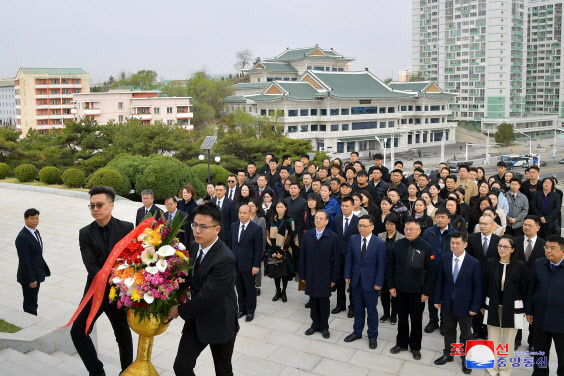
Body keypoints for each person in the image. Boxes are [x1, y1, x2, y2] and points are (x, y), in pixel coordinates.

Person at [168, 202, 238, 376]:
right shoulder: (194, 245)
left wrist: (178, 310)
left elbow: (208, 297)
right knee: (182, 367)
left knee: (223, 370)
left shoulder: (225, 258)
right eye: (195, 225)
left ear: (217, 229)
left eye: (203, 226)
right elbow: (191, 279)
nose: (197, 230)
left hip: (220, 320)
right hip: (197, 318)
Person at [71, 186, 134, 375]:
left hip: (118, 292)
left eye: (99, 205)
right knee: (78, 331)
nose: (95, 209)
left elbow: (132, 259)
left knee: (123, 334)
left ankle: (126, 371)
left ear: (112, 205)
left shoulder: (126, 228)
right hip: (95, 290)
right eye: (91, 206)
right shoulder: (85, 233)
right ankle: (97, 371)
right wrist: (110, 277)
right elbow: (90, 265)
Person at [388, 219, 436, 360]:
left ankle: (415, 347)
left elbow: (432, 272)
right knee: (402, 319)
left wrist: (426, 291)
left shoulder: (426, 247)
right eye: (406, 229)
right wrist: (391, 286)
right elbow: (390, 267)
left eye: (412, 229)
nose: (408, 231)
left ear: (419, 231)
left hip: (417, 293)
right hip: (399, 291)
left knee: (416, 321)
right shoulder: (397, 245)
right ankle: (401, 344)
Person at [433, 231, 481, 375]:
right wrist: (437, 299)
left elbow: (478, 287)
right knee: (448, 330)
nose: (454, 246)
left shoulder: (474, 263)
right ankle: (449, 353)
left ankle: (466, 358)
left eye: (457, 243)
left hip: (466, 306)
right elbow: (439, 281)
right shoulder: (445, 258)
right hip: (447, 302)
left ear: (465, 244)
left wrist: (475, 306)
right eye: (452, 243)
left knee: (466, 333)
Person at [482, 235, 528, 376]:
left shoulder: (519, 265)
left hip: (513, 307)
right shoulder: (491, 262)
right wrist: (482, 304)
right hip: (493, 305)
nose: (502, 249)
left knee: (508, 341)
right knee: (492, 339)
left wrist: (526, 309)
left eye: (505, 246)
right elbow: (485, 285)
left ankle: (506, 369)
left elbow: (524, 288)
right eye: (500, 246)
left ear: (512, 249)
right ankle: (492, 367)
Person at [344, 215, 386, 349]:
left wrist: (379, 282)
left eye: (364, 226)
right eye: (359, 226)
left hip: (371, 283)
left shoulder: (379, 243)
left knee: (372, 311)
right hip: (356, 281)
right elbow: (349, 258)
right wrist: (347, 274)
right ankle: (357, 332)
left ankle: (372, 336)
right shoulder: (353, 239)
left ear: (372, 227)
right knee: (358, 308)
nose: (361, 228)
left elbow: (381, 265)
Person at [526, 235, 564, 376]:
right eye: (546, 247)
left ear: (563, 251)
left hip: (561, 321)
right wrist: (529, 311)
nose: (548, 251)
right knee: (540, 353)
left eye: (552, 248)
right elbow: (531, 289)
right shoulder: (539, 264)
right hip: (540, 318)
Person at [300, 210, 340, 339]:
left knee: (324, 302)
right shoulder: (308, 235)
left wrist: (334, 278)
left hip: (325, 275)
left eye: (321, 218)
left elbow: (337, 260)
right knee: (312, 301)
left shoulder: (333, 237)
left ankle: (324, 327)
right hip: (310, 274)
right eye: (316, 218)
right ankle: (314, 325)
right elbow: (303, 257)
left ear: (327, 221)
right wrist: (303, 275)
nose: (318, 220)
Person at [465, 215, 501, 339]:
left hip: (491, 278)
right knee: (476, 302)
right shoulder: (473, 238)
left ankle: (486, 330)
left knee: (488, 304)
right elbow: (468, 257)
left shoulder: (498, 240)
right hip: (475, 276)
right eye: (480, 223)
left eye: (485, 224)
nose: (482, 226)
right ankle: (476, 330)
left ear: (492, 225)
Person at [515, 215, 546, 351]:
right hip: (516, 284)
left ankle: (532, 341)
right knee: (516, 313)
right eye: (525, 224)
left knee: (534, 314)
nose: (526, 227)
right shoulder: (515, 241)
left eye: (530, 225)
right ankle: (516, 339)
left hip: (535, 286)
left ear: (538, 228)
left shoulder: (544, 245)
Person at [422, 208, 454, 333]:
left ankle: (444, 322)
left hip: (448, 271)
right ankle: (433, 321)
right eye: (437, 217)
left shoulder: (453, 234)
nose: (440, 219)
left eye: (443, 217)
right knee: (432, 297)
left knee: (446, 297)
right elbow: (423, 250)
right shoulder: (428, 232)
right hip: (431, 270)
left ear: (449, 219)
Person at [230, 204, 263, 322]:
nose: (242, 215)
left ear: (250, 214)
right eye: (240, 212)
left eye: (244, 213)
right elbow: (231, 245)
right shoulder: (234, 226)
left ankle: (250, 311)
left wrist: (256, 265)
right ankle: (241, 308)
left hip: (249, 264)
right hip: (235, 264)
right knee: (239, 287)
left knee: (250, 289)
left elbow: (259, 249)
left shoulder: (256, 228)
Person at [16, 208, 50, 315]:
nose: (35, 221)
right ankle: (30, 323)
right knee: (30, 303)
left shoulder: (35, 232)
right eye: (32, 218)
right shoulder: (22, 237)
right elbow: (24, 261)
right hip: (29, 277)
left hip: (37, 272)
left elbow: (37, 253)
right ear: (25, 219)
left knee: (33, 300)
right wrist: (31, 279)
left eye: (37, 218)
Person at [331, 197, 359, 317]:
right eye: (342, 206)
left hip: (352, 256)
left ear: (353, 206)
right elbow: (334, 235)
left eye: (347, 206)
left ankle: (352, 307)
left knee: (352, 282)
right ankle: (340, 304)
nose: (344, 208)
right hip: (339, 255)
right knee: (340, 281)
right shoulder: (337, 219)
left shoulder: (358, 220)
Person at [267, 200, 298, 302]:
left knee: (284, 272)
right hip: (273, 250)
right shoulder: (272, 220)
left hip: (285, 250)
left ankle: (284, 291)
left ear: (285, 208)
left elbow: (290, 236)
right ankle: (277, 291)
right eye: (277, 207)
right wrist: (273, 251)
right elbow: (268, 235)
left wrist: (281, 251)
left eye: (281, 207)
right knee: (276, 271)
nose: (279, 209)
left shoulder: (290, 220)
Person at [378, 213, 404, 325]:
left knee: (395, 295)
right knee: (384, 294)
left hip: (396, 271)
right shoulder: (380, 236)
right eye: (387, 223)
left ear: (396, 225)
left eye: (392, 224)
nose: (389, 226)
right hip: (383, 269)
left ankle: (394, 315)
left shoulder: (402, 238)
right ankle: (386, 313)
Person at [248, 199, 266, 297]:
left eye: (252, 206)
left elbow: (263, 237)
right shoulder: (244, 217)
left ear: (257, 207)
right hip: (246, 247)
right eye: (249, 205)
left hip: (256, 247)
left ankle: (257, 286)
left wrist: (262, 251)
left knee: (257, 266)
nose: (250, 208)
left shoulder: (261, 219)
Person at [212, 182, 238, 247]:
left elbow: (234, 221)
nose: (218, 192)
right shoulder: (212, 201)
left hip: (226, 235)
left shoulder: (231, 203)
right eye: (216, 190)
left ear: (225, 191)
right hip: (213, 234)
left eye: (220, 190)